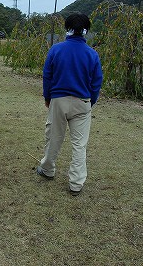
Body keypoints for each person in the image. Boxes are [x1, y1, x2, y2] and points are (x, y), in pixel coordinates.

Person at [36, 13, 103, 196]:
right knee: (79, 145)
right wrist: (91, 102)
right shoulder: (92, 54)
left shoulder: (56, 50)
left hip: (58, 100)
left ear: (68, 28)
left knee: (54, 138)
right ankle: (76, 184)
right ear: (85, 30)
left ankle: (48, 170)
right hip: (83, 102)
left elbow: (47, 76)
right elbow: (96, 83)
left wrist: (47, 97)